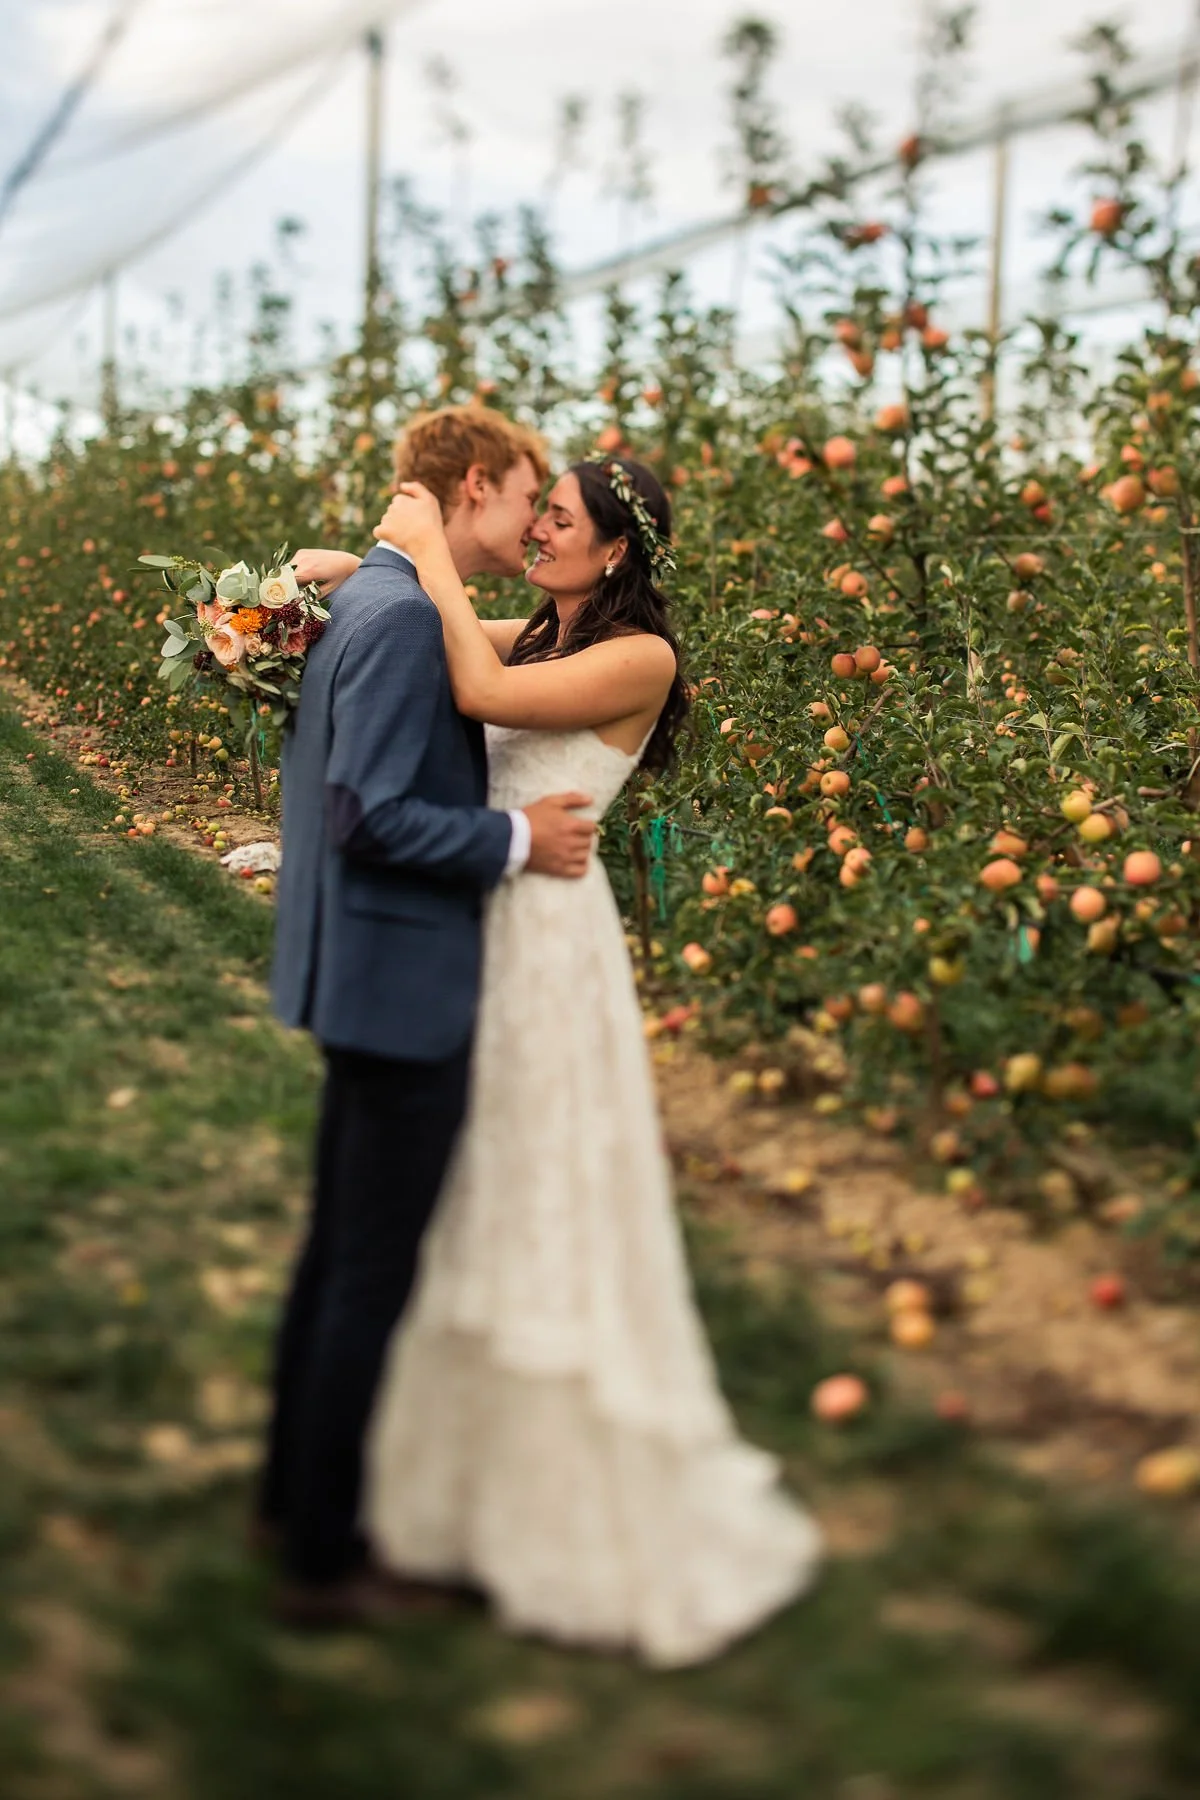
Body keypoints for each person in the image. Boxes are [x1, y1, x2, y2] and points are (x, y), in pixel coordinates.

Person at [353, 453, 822, 1668]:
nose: (535, 530)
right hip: (489, 916)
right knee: (468, 1193)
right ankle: (451, 1497)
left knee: (539, 1189)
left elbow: (467, 676)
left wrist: (418, 551)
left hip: (548, 950)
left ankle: (569, 1514)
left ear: (616, 549)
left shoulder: (637, 658)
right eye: (537, 512)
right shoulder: (548, 632)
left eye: (557, 518)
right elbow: (452, 627)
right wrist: (335, 578)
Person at [262, 405, 599, 1626]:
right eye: (522, 495)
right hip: (403, 988)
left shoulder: (374, 601)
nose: (530, 517)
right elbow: (371, 814)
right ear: (469, 489)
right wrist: (518, 836)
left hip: (351, 969)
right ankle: (322, 1560)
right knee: (368, 1275)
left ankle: (284, 1498)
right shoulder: (405, 621)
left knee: (331, 1252)